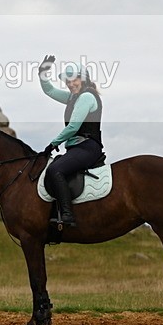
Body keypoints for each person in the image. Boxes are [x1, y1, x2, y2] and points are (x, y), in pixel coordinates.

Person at [37, 55, 103, 228]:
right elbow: (49, 91)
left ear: (83, 79)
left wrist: (53, 144)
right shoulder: (72, 97)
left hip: (88, 147)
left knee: (55, 169)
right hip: (76, 148)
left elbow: (73, 126)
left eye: (74, 80)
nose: (71, 84)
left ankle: (67, 214)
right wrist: (43, 72)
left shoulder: (87, 97)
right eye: (67, 82)